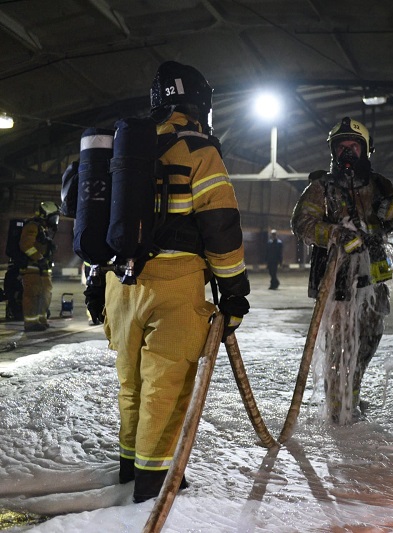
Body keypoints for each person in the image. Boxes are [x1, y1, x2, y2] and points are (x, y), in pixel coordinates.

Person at [103, 61, 250, 503]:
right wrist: (234, 291)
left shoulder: (127, 148)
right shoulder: (199, 150)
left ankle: (129, 467)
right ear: (201, 104)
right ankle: (154, 485)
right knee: (165, 388)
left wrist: (96, 282)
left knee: (131, 384)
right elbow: (220, 226)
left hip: (120, 284)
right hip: (175, 285)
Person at [291, 116, 393, 423]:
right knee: (339, 347)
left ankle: (351, 394)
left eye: (353, 146)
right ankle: (339, 409)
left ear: (366, 150)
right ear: (333, 152)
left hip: (374, 279)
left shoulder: (380, 185)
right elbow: (301, 223)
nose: (347, 153)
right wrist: (336, 235)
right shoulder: (322, 187)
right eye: (341, 147)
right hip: (337, 281)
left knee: (368, 340)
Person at [18, 201, 58, 332]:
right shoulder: (32, 226)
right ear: (45, 215)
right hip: (32, 268)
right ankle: (31, 323)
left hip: (43, 268)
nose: (55, 221)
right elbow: (25, 245)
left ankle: (41, 319)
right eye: (54, 217)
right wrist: (39, 258)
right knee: (32, 295)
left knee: (45, 295)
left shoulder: (43, 229)